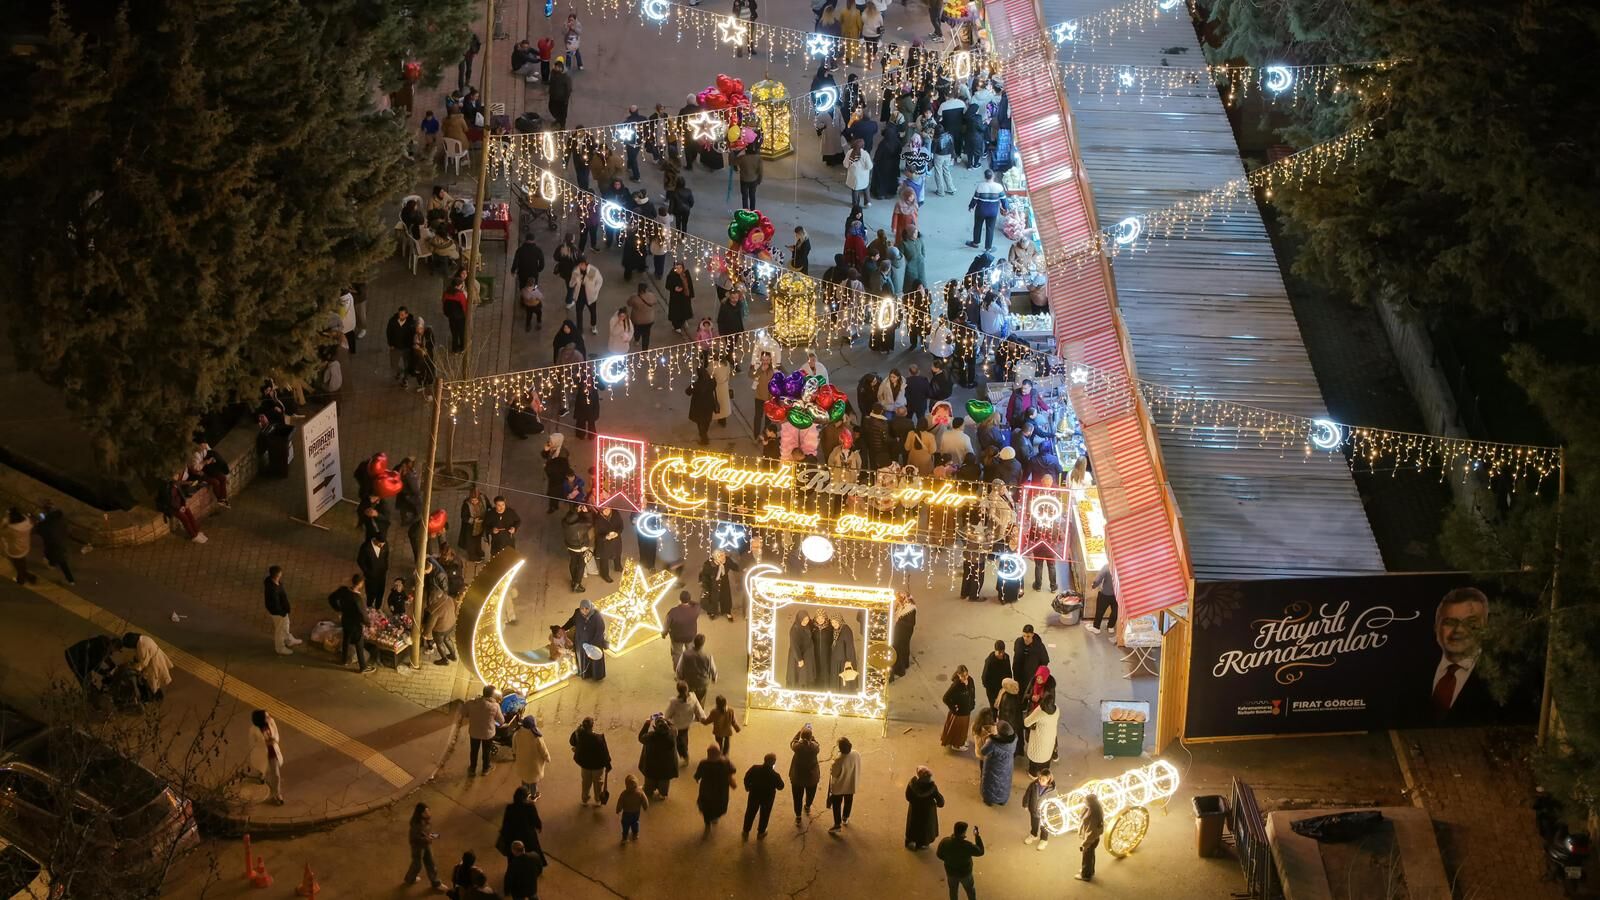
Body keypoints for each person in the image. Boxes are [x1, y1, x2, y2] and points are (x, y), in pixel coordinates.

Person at [1429, 586, 1494, 723]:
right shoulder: (1413, 670)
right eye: (1449, 622)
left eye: (1470, 623)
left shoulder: (1501, 678)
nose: (1459, 630)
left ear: (1486, 628)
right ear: (1436, 627)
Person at [739, 752, 785, 841]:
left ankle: (745, 831)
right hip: (767, 798)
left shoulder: (754, 768)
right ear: (774, 762)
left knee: (750, 812)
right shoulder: (775, 775)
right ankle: (761, 832)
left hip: (754, 795)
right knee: (765, 814)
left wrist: (747, 787)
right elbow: (781, 786)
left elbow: (746, 778)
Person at [693, 744, 738, 833]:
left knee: (706, 807)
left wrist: (697, 779)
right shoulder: (725, 763)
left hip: (706, 790)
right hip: (721, 791)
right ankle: (715, 817)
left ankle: (707, 824)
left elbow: (697, 776)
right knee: (719, 805)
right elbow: (733, 770)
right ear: (719, 753)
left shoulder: (703, 763)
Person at [569, 718, 613, 806]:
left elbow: (572, 742)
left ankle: (585, 799)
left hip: (585, 765)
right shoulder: (599, 739)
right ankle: (597, 799)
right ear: (592, 726)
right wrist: (608, 766)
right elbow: (605, 753)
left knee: (585, 783)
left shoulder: (580, 735)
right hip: (598, 766)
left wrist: (576, 731)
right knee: (598, 784)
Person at [936, 821, 985, 900]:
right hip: (965, 873)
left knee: (953, 890)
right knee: (970, 890)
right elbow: (981, 851)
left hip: (950, 872)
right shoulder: (967, 846)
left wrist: (948, 860)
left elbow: (939, 854)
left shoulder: (945, 842)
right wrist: (977, 836)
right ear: (963, 832)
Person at [902, 766, 946, 851]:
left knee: (913, 824)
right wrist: (940, 804)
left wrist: (914, 801)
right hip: (927, 811)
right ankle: (921, 844)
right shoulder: (932, 787)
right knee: (924, 827)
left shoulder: (912, 784)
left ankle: (909, 840)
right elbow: (940, 800)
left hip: (915, 808)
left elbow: (908, 796)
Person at [497, 785, 543, 866]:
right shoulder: (530, 806)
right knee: (530, 853)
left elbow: (506, 822)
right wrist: (539, 826)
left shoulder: (510, 807)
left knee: (514, 856)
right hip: (527, 836)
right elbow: (535, 819)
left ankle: (514, 868)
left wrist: (504, 834)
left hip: (513, 836)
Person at [464, 684, 505, 776]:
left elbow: (464, 713)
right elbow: (501, 721)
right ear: (492, 695)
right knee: (486, 751)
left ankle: (472, 769)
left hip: (474, 732)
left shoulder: (471, 703)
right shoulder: (495, 706)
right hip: (488, 733)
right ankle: (485, 769)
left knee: (474, 751)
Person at [119, 631, 172, 701]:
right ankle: (155, 694)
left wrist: (136, 668)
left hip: (154, 663)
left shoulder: (141, 646)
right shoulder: (142, 638)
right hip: (156, 658)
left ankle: (156, 696)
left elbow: (144, 663)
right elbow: (140, 655)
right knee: (154, 680)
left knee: (152, 681)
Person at [637, 712, 680, 799]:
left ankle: (649, 791)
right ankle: (663, 794)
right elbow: (674, 727)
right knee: (664, 780)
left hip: (652, 764)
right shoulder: (672, 734)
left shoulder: (651, 736)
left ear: (655, 728)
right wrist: (666, 719)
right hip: (667, 765)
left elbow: (641, 737)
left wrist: (647, 723)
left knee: (650, 779)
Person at [262, 565, 303, 656]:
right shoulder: (273, 589)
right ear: (277, 575)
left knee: (286, 624)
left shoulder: (272, 581)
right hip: (278, 612)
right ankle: (280, 648)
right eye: (280, 573)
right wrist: (282, 612)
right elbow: (276, 604)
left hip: (282, 610)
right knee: (280, 630)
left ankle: (289, 640)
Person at [664, 679, 706, 765]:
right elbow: (699, 709)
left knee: (678, 741)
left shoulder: (674, 702)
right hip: (688, 723)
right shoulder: (693, 698)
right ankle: (685, 750)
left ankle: (685, 756)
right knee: (684, 737)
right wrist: (703, 718)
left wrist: (665, 719)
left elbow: (668, 714)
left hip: (677, 725)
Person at [565, 599, 608, 680]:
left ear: (590, 607)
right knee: (583, 658)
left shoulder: (596, 616)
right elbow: (571, 621)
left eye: (587, 608)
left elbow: (600, 630)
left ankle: (596, 676)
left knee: (594, 661)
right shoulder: (577, 613)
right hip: (580, 642)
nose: (584, 610)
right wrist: (563, 628)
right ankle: (585, 674)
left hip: (594, 643)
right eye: (582, 608)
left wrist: (592, 644)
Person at [247, 709, 285, 805]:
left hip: (273, 752)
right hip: (262, 753)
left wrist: (274, 740)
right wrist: (265, 743)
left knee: (275, 774)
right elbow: (252, 744)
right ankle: (261, 776)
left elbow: (276, 733)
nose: (269, 717)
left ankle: (277, 794)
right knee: (262, 767)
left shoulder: (271, 722)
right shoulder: (253, 730)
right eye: (266, 716)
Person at [977, 720, 1018, 806]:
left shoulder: (993, 742)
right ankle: (1002, 799)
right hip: (1007, 765)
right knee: (1005, 781)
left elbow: (983, 751)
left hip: (993, 766)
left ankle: (989, 799)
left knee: (991, 782)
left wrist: (987, 738)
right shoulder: (1014, 739)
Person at [405, 803, 444, 890]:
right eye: (425, 812)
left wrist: (433, 836)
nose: (428, 813)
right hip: (418, 848)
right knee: (417, 865)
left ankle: (436, 883)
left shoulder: (426, 820)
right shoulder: (416, 825)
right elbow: (414, 839)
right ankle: (410, 878)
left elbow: (426, 833)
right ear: (420, 814)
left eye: (428, 810)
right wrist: (427, 839)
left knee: (431, 863)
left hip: (426, 845)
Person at [966, 169, 1007, 251]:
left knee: (977, 226)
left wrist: (971, 206)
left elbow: (975, 198)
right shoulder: (999, 187)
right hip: (993, 212)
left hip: (980, 211)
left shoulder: (980, 186)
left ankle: (975, 243)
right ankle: (988, 248)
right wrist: (1006, 208)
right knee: (990, 229)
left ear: (985, 177)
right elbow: (1004, 200)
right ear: (993, 176)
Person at [788, 725, 821, 825]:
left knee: (797, 797)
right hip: (812, 777)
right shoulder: (815, 748)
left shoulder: (797, 747)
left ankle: (798, 816)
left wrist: (799, 732)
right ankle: (807, 806)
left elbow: (792, 742)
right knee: (811, 794)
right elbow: (816, 743)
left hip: (797, 777)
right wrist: (811, 736)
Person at [826, 736, 860, 833]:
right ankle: (845, 817)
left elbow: (834, 773)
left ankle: (837, 825)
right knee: (848, 801)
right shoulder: (856, 753)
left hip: (839, 787)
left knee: (837, 805)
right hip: (851, 784)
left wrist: (833, 763)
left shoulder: (839, 760)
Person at [512, 717, 550, 800]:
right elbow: (543, 750)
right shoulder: (537, 737)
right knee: (533, 781)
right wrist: (547, 758)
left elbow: (514, 747)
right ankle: (533, 795)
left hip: (522, 763)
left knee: (524, 779)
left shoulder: (517, 734)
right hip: (533, 765)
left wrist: (515, 754)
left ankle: (525, 794)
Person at [940, 665, 976, 751]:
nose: (965, 678)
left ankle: (961, 741)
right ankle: (957, 745)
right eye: (962, 676)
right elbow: (945, 698)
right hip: (959, 713)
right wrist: (954, 708)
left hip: (966, 710)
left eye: (966, 675)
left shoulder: (970, 680)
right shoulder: (956, 685)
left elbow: (972, 692)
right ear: (958, 675)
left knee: (963, 729)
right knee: (959, 730)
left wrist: (972, 703)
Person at [425, 576, 459, 665]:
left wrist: (426, 634)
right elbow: (456, 607)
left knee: (439, 643)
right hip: (451, 624)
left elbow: (430, 624)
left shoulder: (435, 609)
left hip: (440, 629)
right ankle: (453, 656)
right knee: (447, 639)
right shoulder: (449, 598)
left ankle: (444, 660)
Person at [1023, 695, 1060, 777]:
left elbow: (1026, 723)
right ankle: (1045, 775)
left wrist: (1035, 709)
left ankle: (1033, 775)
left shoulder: (1041, 712)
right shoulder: (1057, 709)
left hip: (1039, 739)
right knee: (1046, 756)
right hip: (1050, 737)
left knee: (1036, 758)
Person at [698, 550, 740, 620]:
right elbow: (704, 575)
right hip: (712, 582)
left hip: (724, 581)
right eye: (720, 556)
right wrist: (705, 585)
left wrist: (741, 567)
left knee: (725, 597)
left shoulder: (727, 560)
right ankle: (712, 612)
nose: (723, 557)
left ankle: (727, 611)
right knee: (713, 598)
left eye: (723, 555)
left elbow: (735, 567)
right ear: (715, 557)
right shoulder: (709, 564)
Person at [676, 633, 718, 703]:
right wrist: (714, 678)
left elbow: (679, 669)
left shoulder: (685, 654)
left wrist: (680, 678)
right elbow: (713, 669)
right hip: (702, 683)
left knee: (688, 701)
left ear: (693, 642)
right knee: (700, 703)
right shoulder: (708, 656)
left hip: (689, 683)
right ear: (703, 644)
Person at [569, 257, 604, 335]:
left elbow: (600, 281)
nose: (580, 266)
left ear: (585, 263)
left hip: (590, 296)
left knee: (593, 312)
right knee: (579, 313)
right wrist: (573, 281)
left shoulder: (593, 271)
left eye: (581, 264)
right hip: (579, 295)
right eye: (579, 265)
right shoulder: (576, 271)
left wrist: (595, 290)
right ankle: (579, 329)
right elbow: (571, 283)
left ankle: (593, 326)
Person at [686, 359, 717, 445]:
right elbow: (714, 385)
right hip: (709, 405)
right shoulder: (711, 381)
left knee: (700, 422)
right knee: (707, 421)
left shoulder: (696, 384)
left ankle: (704, 439)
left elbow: (687, 392)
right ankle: (704, 434)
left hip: (699, 407)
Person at [1023, 770, 1055, 850]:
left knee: (1044, 826)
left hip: (1045, 813)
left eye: (1043, 780)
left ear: (1049, 780)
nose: (1040, 781)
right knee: (1034, 823)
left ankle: (1044, 839)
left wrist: (1051, 813)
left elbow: (1054, 803)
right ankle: (1033, 834)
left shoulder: (1052, 791)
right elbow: (1028, 794)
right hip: (1034, 809)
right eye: (1039, 778)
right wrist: (1025, 804)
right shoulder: (1033, 785)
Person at [592, 505, 623, 583]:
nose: (606, 511)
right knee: (604, 558)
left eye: (608, 509)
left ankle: (618, 566)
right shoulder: (597, 518)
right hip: (604, 543)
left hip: (616, 539)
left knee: (617, 553)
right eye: (603, 510)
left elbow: (621, 525)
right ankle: (605, 575)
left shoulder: (615, 513)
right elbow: (597, 534)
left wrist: (617, 533)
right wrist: (605, 537)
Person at [1077, 793, 1105, 881]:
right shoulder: (1095, 809)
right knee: (1090, 856)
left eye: (1086, 801)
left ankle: (1085, 875)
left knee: (1086, 858)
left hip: (1090, 840)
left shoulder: (1093, 815)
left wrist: (1085, 844)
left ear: (1090, 803)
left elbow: (1091, 832)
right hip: (1093, 839)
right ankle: (1089, 871)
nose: (1084, 802)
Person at [615, 773, 649, 842]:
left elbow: (620, 802)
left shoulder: (624, 794)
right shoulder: (640, 793)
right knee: (635, 823)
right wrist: (645, 807)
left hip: (626, 813)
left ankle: (625, 837)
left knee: (625, 824)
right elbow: (645, 801)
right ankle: (635, 834)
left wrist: (618, 809)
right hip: (636, 812)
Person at [665, 261, 696, 335]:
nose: (679, 270)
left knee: (685, 309)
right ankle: (676, 326)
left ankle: (684, 320)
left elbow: (690, 284)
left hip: (685, 296)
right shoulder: (672, 275)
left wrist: (691, 294)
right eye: (677, 268)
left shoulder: (685, 274)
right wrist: (674, 288)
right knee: (676, 312)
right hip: (676, 298)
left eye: (680, 268)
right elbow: (667, 285)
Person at [891, 594, 917, 679]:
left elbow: (911, 623)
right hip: (900, 630)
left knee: (900, 648)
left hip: (904, 632)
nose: (897, 602)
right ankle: (905, 664)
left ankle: (900, 670)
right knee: (903, 647)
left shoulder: (910, 609)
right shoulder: (902, 606)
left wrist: (899, 622)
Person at [626, 282, 657, 351]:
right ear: (646, 289)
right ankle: (645, 350)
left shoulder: (634, 297)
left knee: (637, 330)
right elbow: (655, 302)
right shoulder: (651, 295)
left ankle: (637, 340)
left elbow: (629, 303)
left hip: (637, 320)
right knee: (646, 335)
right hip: (649, 319)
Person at [736, 145, 762, 209]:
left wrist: (733, 152)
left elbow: (732, 162)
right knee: (752, 196)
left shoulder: (742, 158)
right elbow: (760, 170)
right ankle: (752, 211)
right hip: (753, 179)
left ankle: (745, 211)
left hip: (744, 180)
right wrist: (759, 180)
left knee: (744, 197)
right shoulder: (758, 158)